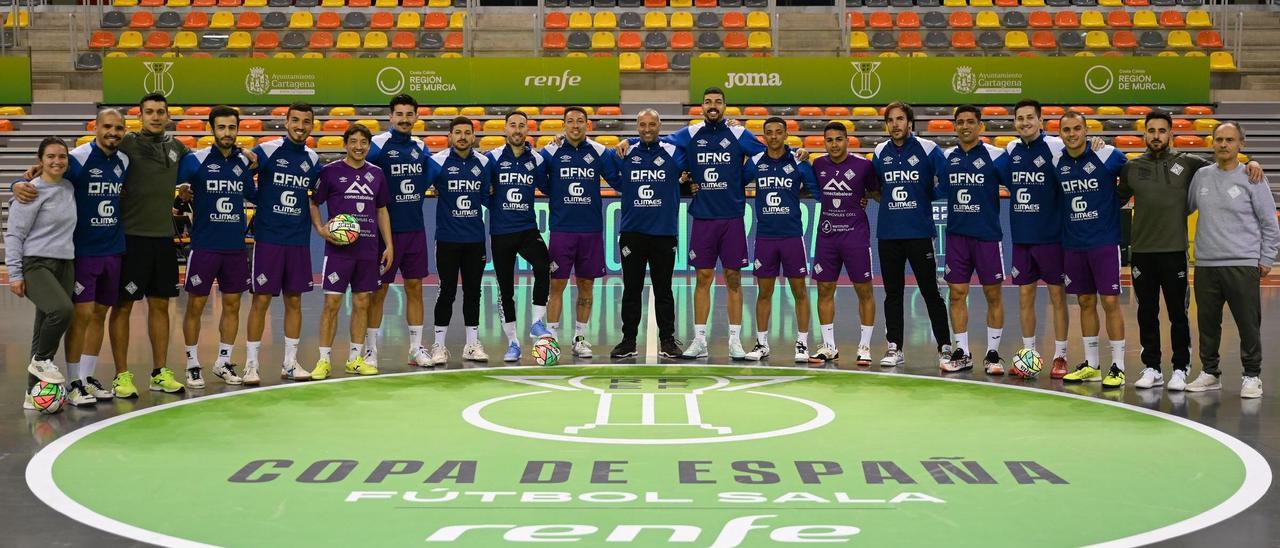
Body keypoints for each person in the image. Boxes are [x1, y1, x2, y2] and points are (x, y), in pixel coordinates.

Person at [15, 93, 193, 396]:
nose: (155, 116)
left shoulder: (172, 149)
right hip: (110, 244)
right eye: (148, 112)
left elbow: (201, 166)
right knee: (93, 312)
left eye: (160, 112)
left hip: (140, 242)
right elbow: (50, 170)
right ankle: (92, 379)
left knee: (125, 309)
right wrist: (19, 182)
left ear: (167, 116)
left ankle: (109, 376)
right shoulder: (108, 150)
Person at [1118, 112, 1264, 391]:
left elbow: (1225, 163)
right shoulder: (1131, 168)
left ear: (1170, 134)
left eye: (1162, 130)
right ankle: (1151, 367)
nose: (1156, 135)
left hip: (1174, 252)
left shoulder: (1189, 164)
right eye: (1151, 130)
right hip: (1142, 253)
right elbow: (1113, 196)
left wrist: (1251, 162)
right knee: (1146, 312)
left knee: (1178, 313)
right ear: (1144, 134)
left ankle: (1180, 368)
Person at [662, 88, 766, 360]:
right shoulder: (691, 132)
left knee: (733, 278)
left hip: (732, 217)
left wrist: (742, 178)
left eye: (718, 102)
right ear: (701, 106)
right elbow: (661, 143)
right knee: (703, 279)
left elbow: (763, 155)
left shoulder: (739, 133)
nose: (713, 106)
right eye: (708, 102)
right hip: (704, 218)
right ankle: (699, 341)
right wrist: (685, 174)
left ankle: (735, 341)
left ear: (725, 106)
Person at [1184, 121, 1278, 399]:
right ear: (1212, 143)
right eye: (1218, 139)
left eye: (1229, 140)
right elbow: (1185, 207)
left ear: (1241, 144)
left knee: (1248, 323)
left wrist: (1266, 257)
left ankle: (1252, 376)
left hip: (1242, 263)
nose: (1223, 144)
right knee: (1207, 324)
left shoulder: (1253, 177)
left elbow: (1269, 223)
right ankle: (1210, 373)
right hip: (1206, 264)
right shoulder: (1201, 176)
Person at [177, 105, 256, 388]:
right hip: (204, 245)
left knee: (233, 305)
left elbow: (254, 194)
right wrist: (182, 193)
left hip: (235, 247)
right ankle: (191, 364)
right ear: (212, 129)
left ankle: (223, 362)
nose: (227, 133)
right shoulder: (194, 160)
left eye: (232, 127)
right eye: (221, 127)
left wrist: (256, 164)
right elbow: (176, 189)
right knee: (196, 305)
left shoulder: (242, 163)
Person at [243, 102, 321, 384]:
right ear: (286, 122)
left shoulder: (312, 160)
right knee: (261, 300)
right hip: (269, 239)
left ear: (312, 125)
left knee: (294, 301)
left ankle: (290, 363)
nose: (301, 126)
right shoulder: (266, 150)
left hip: (298, 241)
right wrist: (259, 198)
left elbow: (316, 195)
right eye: (296, 120)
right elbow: (242, 177)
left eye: (306, 122)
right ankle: (251, 364)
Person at [309, 125, 393, 379]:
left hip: (368, 249)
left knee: (362, 303)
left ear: (369, 145)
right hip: (338, 250)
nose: (358, 146)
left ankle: (355, 358)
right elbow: (313, 202)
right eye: (353, 141)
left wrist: (388, 245)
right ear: (345, 144)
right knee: (331, 303)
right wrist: (321, 229)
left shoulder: (377, 174)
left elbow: (381, 210)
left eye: (363, 142)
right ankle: (323, 360)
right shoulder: (330, 172)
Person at [872, 102, 952, 368]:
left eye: (900, 119)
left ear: (909, 123)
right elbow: (874, 186)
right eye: (891, 120)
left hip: (919, 233)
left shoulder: (929, 149)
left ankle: (945, 346)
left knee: (930, 291)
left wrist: (928, 196)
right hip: (888, 234)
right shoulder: (879, 151)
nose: (895, 124)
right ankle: (894, 347)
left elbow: (947, 179)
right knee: (892, 293)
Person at [604, 109, 686, 359]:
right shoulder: (624, 152)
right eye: (642, 125)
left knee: (664, 290)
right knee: (631, 289)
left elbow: (699, 162)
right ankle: (628, 341)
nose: (647, 129)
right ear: (636, 126)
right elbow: (606, 169)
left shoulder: (674, 152)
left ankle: (668, 341)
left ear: (660, 125)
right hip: (632, 234)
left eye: (652, 124)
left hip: (664, 234)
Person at [1055, 112, 1129, 387]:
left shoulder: (1107, 154)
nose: (1072, 133)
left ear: (1086, 130)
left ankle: (1118, 366)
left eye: (1077, 128)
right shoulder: (1057, 160)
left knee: (1110, 302)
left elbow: (1134, 178)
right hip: (1073, 244)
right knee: (1085, 302)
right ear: (1060, 133)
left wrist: (1115, 201)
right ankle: (1092, 364)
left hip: (1104, 242)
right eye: (1066, 129)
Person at [938, 105, 1011, 375]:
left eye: (971, 122)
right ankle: (963, 351)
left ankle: (992, 354)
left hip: (987, 236)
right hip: (957, 236)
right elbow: (935, 187)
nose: (965, 126)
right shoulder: (948, 157)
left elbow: (1020, 184)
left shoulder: (997, 156)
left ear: (980, 126)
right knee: (957, 294)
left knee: (993, 294)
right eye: (960, 122)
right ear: (954, 126)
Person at [62, 109, 128, 404]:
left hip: (113, 250)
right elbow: (44, 177)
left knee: (100, 312)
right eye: (107, 127)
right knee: (82, 315)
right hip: (83, 250)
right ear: (95, 128)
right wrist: (18, 185)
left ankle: (87, 377)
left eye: (119, 128)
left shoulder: (124, 161)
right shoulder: (76, 158)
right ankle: (72, 380)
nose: (113, 133)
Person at [741, 117, 820, 363]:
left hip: (792, 236)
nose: (774, 136)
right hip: (765, 237)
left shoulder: (798, 160)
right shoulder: (755, 162)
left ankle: (802, 345)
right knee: (764, 293)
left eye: (778, 132)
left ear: (786, 135)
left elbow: (817, 190)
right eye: (769, 133)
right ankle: (761, 344)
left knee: (799, 292)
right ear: (763, 136)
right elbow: (734, 185)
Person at [364, 94, 433, 367]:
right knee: (378, 290)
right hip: (386, 234)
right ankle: (370, 350)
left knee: (415, 288)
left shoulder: (421, 147)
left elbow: (432, 172)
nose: (404, 119)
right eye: (399, 114)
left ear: (416, 117)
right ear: (391, 117)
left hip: (415, 229)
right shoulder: (377, 146)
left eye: (409, 114)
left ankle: (416, 349)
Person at [539, 107, 614, 359]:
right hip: (562, 229)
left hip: (590, 230)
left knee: (586, 286)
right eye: (570, 121)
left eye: (580, 121)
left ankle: (580, 337)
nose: (575, 125)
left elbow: (618, 179)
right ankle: (550, 338)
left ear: (587, 125)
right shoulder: (551, 151)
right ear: (564, 125)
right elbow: (539, 179)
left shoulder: (598, 151)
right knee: (556, 284)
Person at [7, 138, 76, 409]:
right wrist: (15, 274)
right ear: (40, 161)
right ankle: (41, 361)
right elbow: (14, 234)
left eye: (62, 156)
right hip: (36, 264)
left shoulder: (69, 187)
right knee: (62, 310)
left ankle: (31, 394)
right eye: (50, 157)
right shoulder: (30, 191)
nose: (57, 161)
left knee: (42, 325)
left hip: (66, 264)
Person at [1005, 99, 1071, 379]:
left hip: (1051, 237)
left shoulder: (1057, 147)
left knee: (1057, 297)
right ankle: (1028, 354)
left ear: (1041, 120)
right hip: (1022, 237)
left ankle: (1060, 356)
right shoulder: (1011, 149)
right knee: (1024, 296)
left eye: (1030, 118)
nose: (1024, 123)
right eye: (1020, 118)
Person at [424, 117, 493, 364]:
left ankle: (472, 345)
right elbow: (420, 186)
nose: (462, 136)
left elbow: (486, 195)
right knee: (447, 292)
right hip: (447, 239)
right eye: (458, 132)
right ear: (450, 136)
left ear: (473, 136)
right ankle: (438, 346)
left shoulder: (483, 163)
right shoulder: (437, 161)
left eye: (467, 132)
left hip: (475, 239)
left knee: (474, 292)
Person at [487, 111, 554, 362]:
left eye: (522, 126)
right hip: (501, 232)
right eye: (513, 125)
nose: (517, 130)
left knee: (543, 265)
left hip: (527, 228)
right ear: (505, 129)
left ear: (528, 130)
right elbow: (482, 190)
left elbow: (548, 187)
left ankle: (536, 322)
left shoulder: (536, 159)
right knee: (506, 289)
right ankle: (513, 342)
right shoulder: (492, 159)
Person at [811, 122, 880, 366]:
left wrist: (866, 200)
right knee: (824, 289)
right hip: (827, 237)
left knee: (864, 291)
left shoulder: (864, 166)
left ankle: (864, 346)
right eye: (829, 140)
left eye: (839, 139)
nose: (834, 144)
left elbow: (876, 193)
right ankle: (829, 346)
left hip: (855, 237)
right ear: (824, 142)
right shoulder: (817, 165)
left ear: (847, 140)